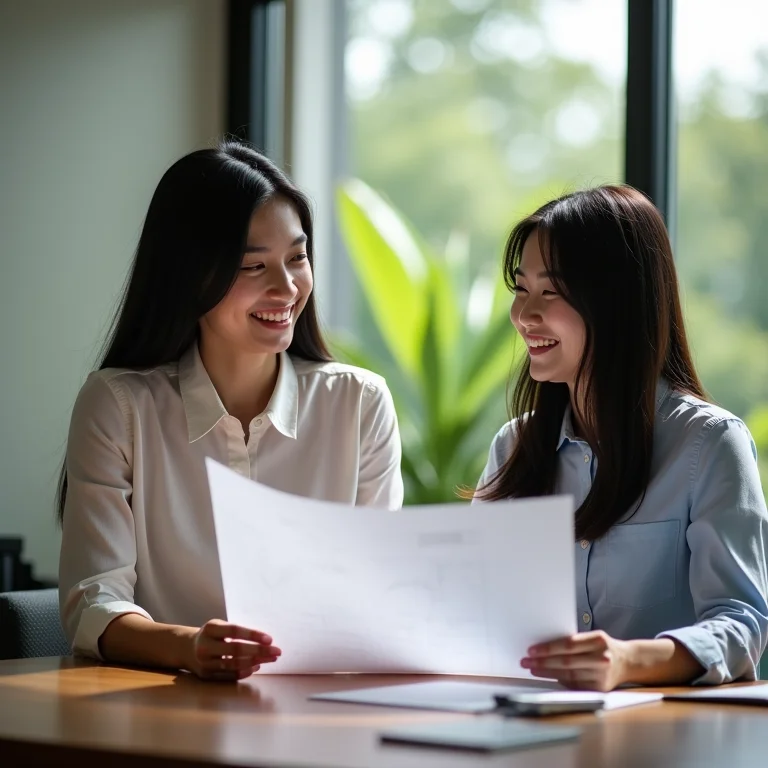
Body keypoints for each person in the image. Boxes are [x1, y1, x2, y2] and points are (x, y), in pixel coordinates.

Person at [58, 141, 403, 680]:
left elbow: (383, 588)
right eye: (252, 266)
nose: (287, 288)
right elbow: (94, 603)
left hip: (320, 709)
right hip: (165, 710)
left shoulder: (358, 403)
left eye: (297, 257)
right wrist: (189, 647)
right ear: (191, 276)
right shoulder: (119, 405)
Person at [474, 185, 768, 691]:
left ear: (617, 302)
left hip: (662, 738)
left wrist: (629, 661)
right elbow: (469, 602)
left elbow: (741, 623)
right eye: (521, 289)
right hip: (527, 728)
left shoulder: (710, 444)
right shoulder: (513, 447)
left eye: (552, 291)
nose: (525, 315)